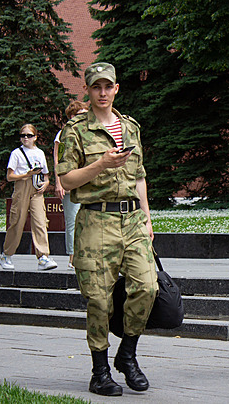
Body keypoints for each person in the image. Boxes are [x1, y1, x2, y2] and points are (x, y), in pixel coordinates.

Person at [56, 62, 157, 396]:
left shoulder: (130, 127)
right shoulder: (75, 130)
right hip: (96, 220)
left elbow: (139, 174)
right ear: (87, 90)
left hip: (132, 219)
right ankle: (100, 371)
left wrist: (147, 215)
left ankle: (127, 354)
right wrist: (100, 164)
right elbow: (67, 180)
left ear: (116, 88)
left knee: (147, 287)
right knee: (98, 299)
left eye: (108, 86)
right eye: (96, 87)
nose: (102, 93)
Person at [0, 124, 58, 271]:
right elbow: (10, 176)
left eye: (29, 135)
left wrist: (46, 184)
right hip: (21, 187)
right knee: (17, 222)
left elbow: (46, 174)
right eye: (23, 135)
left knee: (40, 222)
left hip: (37, 189)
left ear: (35, 137)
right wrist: (27, 175)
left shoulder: (39, 153)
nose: (26, 138)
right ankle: (7, 254)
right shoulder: (16, 153)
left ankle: (43, 256)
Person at [54, 100, 89, 269]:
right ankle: (72, 257)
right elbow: (57, 160)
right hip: (70, 183)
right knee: (72, 221)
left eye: (85, 113)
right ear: (71, 116)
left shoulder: (91, 132)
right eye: (79, 114)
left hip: (88, 184)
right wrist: (59, 183)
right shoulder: (63, 134)